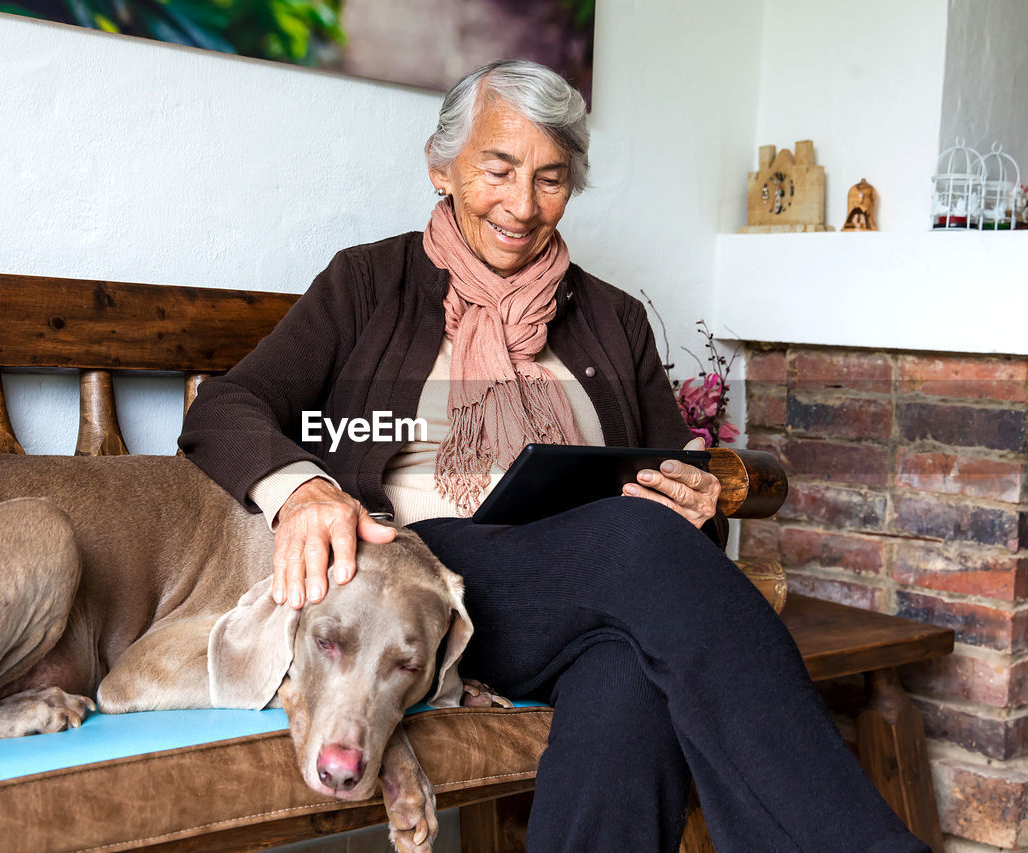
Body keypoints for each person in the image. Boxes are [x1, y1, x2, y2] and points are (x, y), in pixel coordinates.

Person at [179, 59, 928, 852]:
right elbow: (225, 406)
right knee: (637, 546)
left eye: (550, 178)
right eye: (498, 170)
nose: (522, 204)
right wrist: (306, 494)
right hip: (425, 585)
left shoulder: (613, 318)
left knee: (628, 677)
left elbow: (680, 502)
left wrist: (694, 500)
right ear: (441, 169)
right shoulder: (369, 284)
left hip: (590, 594)